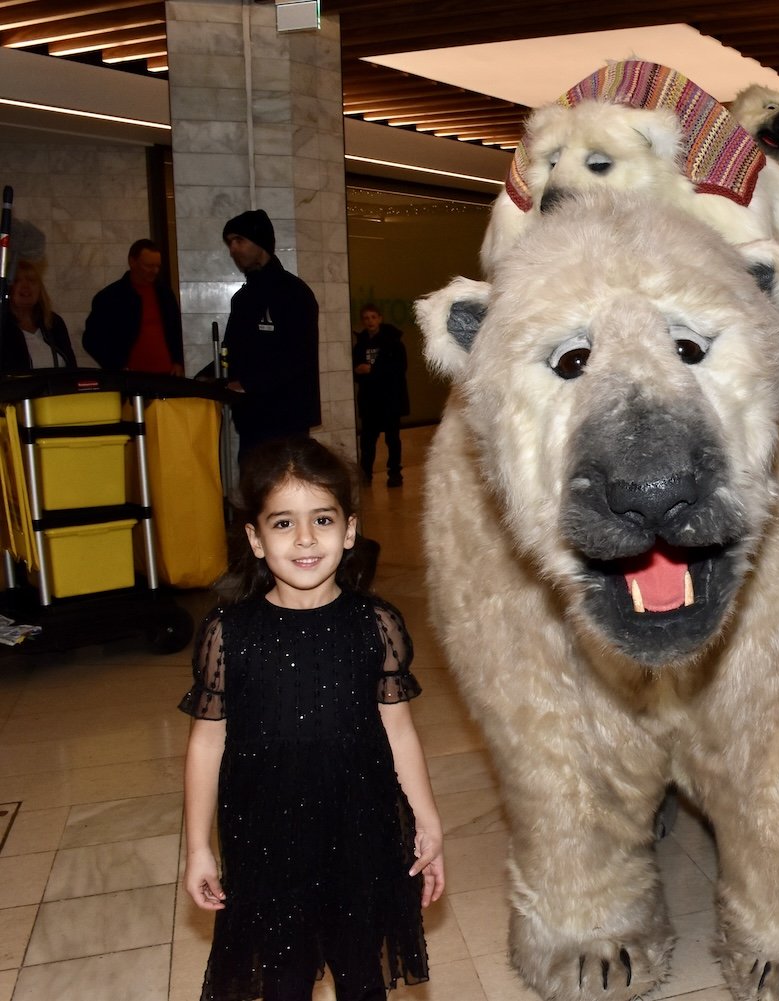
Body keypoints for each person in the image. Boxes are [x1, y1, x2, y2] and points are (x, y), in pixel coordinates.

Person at [180, 436, 444, 1001]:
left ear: (348, 531)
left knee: (361, 973)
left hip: (360, 831)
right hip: (266, 839)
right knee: (282, 980)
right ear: (254, 538)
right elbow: (206, 744)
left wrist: (426, 819)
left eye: (321, 519)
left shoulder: (376, 625)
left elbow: (398, 729)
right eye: (282, 524)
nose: (305, 539)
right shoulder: (229, 633)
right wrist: (198, 847)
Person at [221, 209, 321, 461]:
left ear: (261, 243)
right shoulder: (242, 299)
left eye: (239, 240)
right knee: (255, 493)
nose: (233, 249)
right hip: (250, 419)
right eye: (229, 242)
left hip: (286, 420)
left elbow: (300, 357)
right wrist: (207, 378)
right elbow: (230, 351)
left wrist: (248, 384)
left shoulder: (294, 293)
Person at [82, 238, 186, 375]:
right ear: (132, 262)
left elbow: (176, 331)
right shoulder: (110, 297)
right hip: (131, 379)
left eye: (158, 266)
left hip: (167, 376)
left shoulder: (165, 293)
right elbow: (91, 340)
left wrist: (178, 361)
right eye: (149, 266)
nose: (155, 271)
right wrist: (117, 366)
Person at [351, 305, 409, 487]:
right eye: (366, 318)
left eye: (373, 317)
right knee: (368, 440)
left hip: (390, 398)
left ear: (380, 318)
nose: (370, 321)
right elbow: (354, 372)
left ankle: (395, 473)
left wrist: (372, 370)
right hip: (369, 399)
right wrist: (358, 371)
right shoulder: (360, 344)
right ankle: (365, 473)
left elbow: (400, 368)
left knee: (392, 438)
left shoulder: (393, 342)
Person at [1, 259, 78, 373]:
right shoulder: (3, 327)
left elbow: (72, 371)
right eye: (17, 281)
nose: (26, 286)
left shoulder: (54, 323)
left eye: (32, 280)